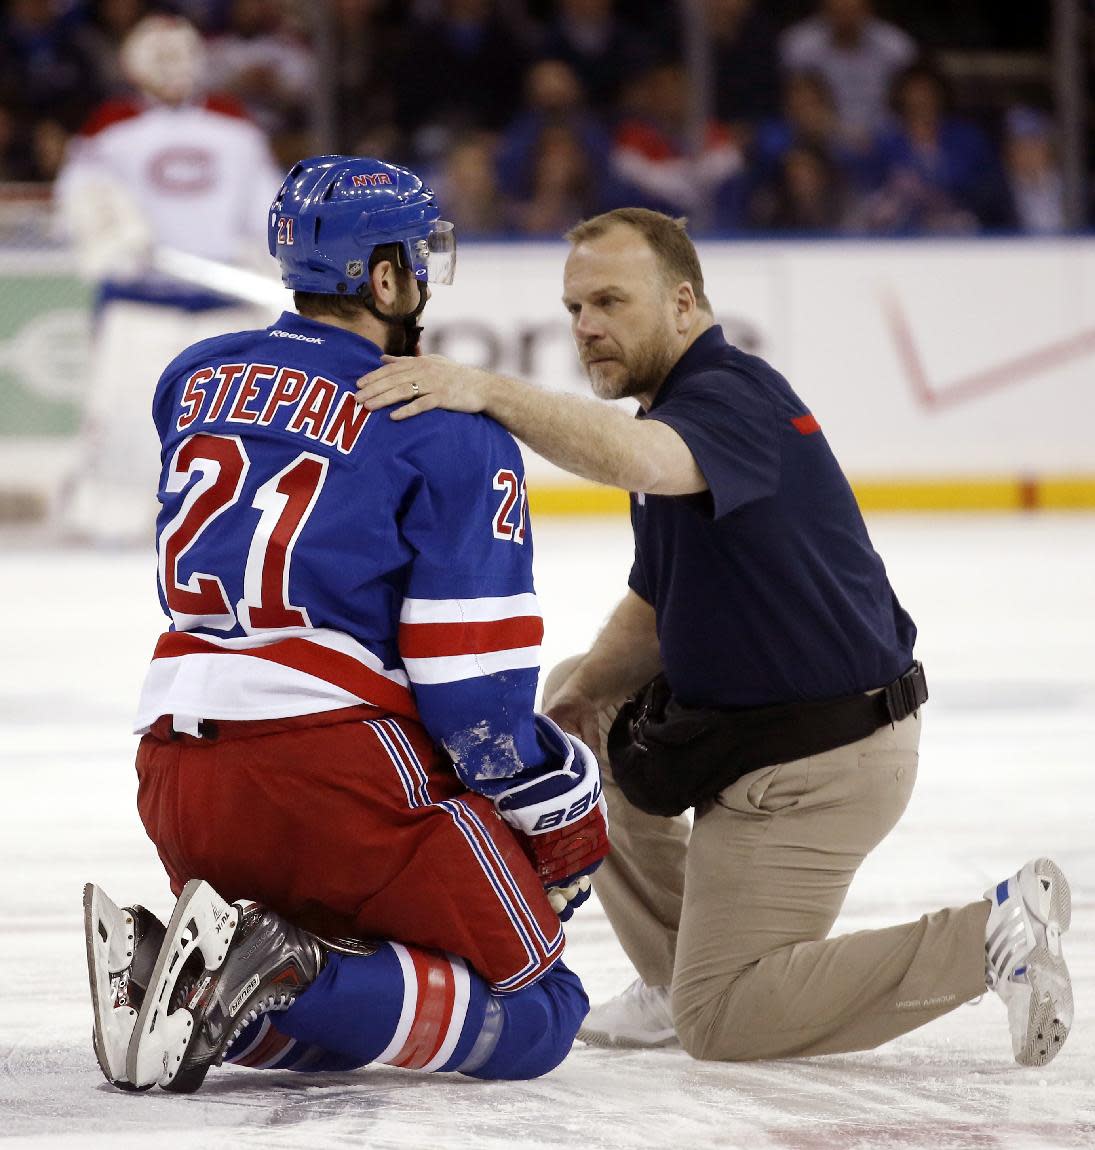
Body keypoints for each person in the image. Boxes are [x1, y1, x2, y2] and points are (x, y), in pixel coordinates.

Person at [354, 206, 1074, 1067]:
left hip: (818, 763)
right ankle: (672, 976)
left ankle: (988, 934)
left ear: (685, 303)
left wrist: (489, 388)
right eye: (575, 308)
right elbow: (656, 601)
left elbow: (638, 459)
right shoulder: (679, 405)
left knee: (727, 1022)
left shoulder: (728, 398)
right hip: (752, 735)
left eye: (611, 302)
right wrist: (582, 698)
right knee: (576, 707)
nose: (586, 327)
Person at [82, 155, 608, 1093]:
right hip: (336, 772)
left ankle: (194, 977)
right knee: (540, 1014)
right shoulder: (443, 421)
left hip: (172, 767)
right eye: (416, 258)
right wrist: (562, 805)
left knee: (353, 999)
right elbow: (470, 693)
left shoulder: (193, 377)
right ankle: (277, 969)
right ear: (382, 276)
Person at [53, 13, 283, 544]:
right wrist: (109, 234)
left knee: (231, 424)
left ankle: (227, 526)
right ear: (133, 64)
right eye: (158, 57)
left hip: (221, 306)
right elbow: (81, 205)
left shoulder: (236, 126)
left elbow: (264, 212)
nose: (171, 68)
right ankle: (107, 524)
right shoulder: (107, 128)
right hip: (140, 304)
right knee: (124, 420)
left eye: (179, 55)